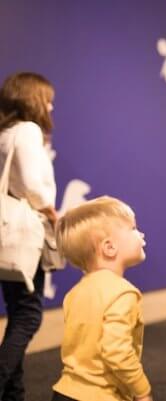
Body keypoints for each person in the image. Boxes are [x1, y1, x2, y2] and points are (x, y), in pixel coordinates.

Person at [51, 196, 152, 401]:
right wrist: (143, 391)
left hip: (64, 392)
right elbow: (117, 352)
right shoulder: (123, 293)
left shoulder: (74, 293)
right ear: (109, 248)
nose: (140, 233)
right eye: (133, 228)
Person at [0, 72, 58, 401]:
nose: (50, 105)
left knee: (16, 313)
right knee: (29, 314)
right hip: (23, 235)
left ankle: (14, 394)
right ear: (33, 99)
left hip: (6, 237)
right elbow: (34, 185)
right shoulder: (28, 131)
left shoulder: (4, 132)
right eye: (47, 99)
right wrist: (51, 212)